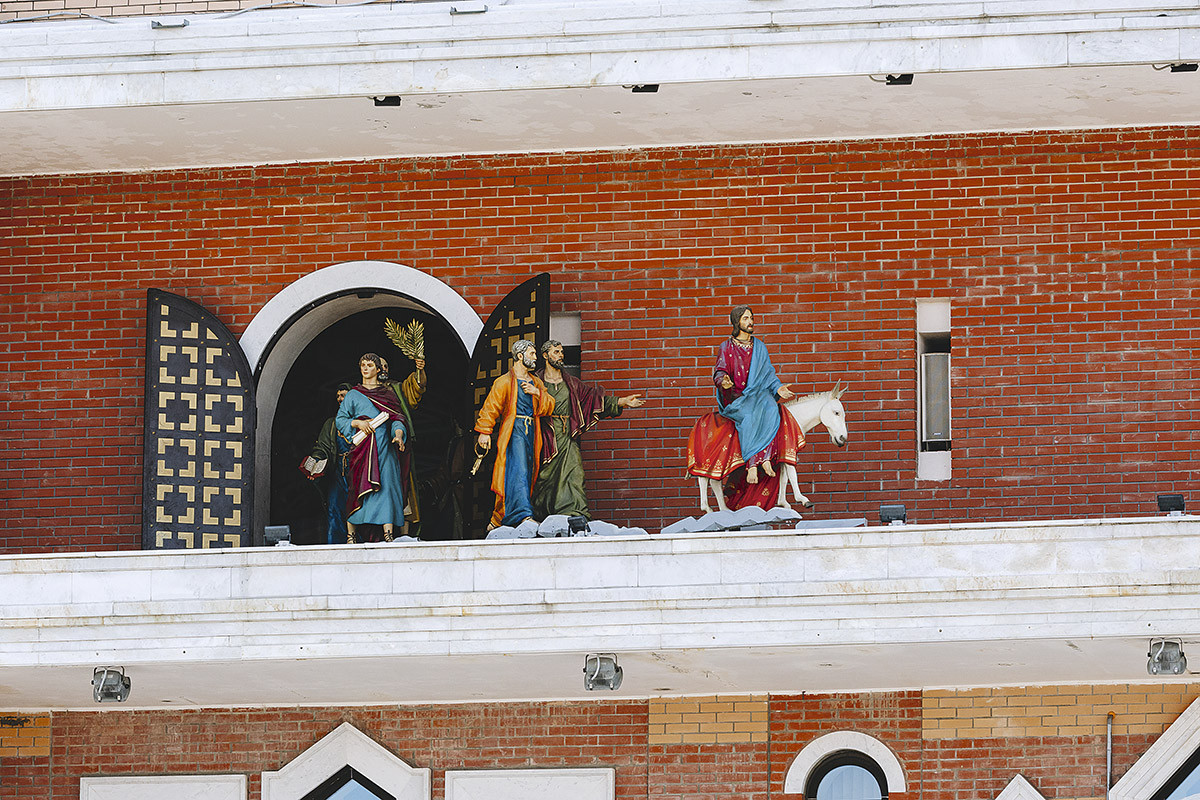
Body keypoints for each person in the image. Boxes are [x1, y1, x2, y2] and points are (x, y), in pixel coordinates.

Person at [532, 340, 645, 519]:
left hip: (567, 437)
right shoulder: (535, 381)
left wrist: (621, 401)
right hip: (545, 436)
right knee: (545, 477)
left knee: (575, 473)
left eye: (561, 352)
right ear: (545, 356)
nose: (560, 355)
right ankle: (543, 515)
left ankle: (575, 513)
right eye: (556, 352)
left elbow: (593, 399)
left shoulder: (572, 383)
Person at [475, 340, 555, 529]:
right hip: (514, 433)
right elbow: (491, 407)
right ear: (520, 356)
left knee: (528, 473)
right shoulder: (504, 381)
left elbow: (549, 405)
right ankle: (522, 514)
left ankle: (499, 518)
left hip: (531, 433)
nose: (535, 358)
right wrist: (484, 432)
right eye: (532, 354)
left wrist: (537, 393)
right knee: (518, 470)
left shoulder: (536, 382)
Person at [713, 305, 797, 485]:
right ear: (737, 322)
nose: (750, 322)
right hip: (736, 399)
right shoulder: (726, 347)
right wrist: (723, 381)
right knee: (750, 415)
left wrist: (778, 388)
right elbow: (720, 371)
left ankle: (765, 459)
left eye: (751, 318)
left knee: (771, 407)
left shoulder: (759, 347)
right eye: (745, 318)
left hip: (758, 395)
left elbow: (768, 374)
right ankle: (752, 463)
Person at [336, 353, 413, 543]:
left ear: (378, 369)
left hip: (384, 447)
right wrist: (358, 423)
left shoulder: (387, 394)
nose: (365, 368)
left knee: (386, 487)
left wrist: (398, 435)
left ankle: (388, 533)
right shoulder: (353, 394)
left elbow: (397, 418)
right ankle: (351, 535)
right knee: (356, 490)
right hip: (361, 449)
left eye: (370, 365)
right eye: (363, 365)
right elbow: (340, 419)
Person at [380, 355, 426, 535]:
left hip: (399, 445)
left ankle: (404, 533)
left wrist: (419, 369)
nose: (384, 369)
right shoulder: (363, 393)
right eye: (380, 366)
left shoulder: (396, 388)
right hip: (377, 445)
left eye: (386, 366)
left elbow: (416, 388)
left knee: (404, 485)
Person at [305, 382, 353, 544]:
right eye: (338, 396)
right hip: (337, 473)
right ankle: (336, 547)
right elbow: (322, 448)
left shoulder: (361, 421)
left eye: (343, 395)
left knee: (358, 510)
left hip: (356, 471)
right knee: (334, 509)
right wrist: (315, 465)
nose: (339, 399)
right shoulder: (331, 424)